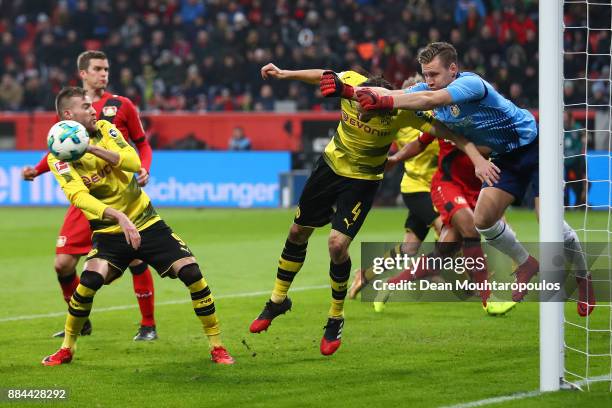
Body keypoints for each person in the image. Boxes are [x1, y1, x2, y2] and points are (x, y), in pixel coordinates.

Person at [249, 62, 498, 356]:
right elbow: (323, 76)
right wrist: (285, 73)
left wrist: (477, 156)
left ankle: (335, 317)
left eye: (372, 110)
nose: (365, 112)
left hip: (363, 181)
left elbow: (446, 131)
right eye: (361, 106)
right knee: (297, 232)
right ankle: (278, 301)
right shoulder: (352, 84)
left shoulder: (402, 112)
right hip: (329, 168)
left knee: (337, 245)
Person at [356, 42, 594, 315]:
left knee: (546, 222)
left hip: (535, 147)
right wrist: (354, 94)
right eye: (425, 75)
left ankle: (583, 278)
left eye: (434, 74)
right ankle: (524, 264)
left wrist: (384, 101)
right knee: (480, 222)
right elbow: (403, 99)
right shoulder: (430, 99)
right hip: (495, 163)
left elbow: (427, 101)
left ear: (453, 69)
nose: (428, 81)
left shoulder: (470, 85)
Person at [42, 87, 234, 366]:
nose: (94, 109)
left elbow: (132, 161)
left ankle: (217, 346)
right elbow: (79, 198)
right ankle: (66, 349)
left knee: (192, 272)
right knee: (90, 281)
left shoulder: (106, 130)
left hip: (147, 220)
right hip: (109, 232)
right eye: (86, 106)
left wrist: (92, 148)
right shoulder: (58, 158)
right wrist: (119, 218)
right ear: (69, 115)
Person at [22, 51, 158, 339]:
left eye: (106, 69)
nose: (104, 74)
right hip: (86, 193)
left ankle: (148, 325)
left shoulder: (122, 106)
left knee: (135, 257)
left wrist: (143, 169)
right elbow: (62, 149)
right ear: (83, 73)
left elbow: (142, 145)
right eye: (98, 69)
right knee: (62, 264)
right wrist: (36, 170)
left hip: (118, 190)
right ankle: (80, 321)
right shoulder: (71, 107)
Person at [348, 74, 443, 300]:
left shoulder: (434, 116)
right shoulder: (399, 120)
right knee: (446, 229)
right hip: (416, 188)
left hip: (436, 188)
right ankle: (446, 274)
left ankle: (365, 274)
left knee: (409, 248)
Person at [563, 111, 587, 208]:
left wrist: (585, 140)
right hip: (565, 162)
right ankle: (566, 205)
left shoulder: (577, 128)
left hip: (576, 161)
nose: (563, 119)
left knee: (578, 184)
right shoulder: (562, 129)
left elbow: (585, 137)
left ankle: (579, 204)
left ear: (570, 117)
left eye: (565, 116)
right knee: (565, 185)